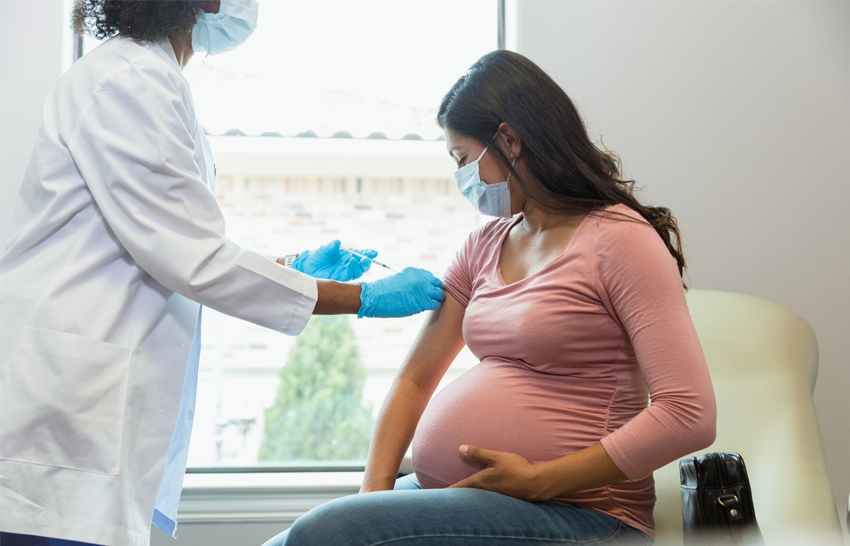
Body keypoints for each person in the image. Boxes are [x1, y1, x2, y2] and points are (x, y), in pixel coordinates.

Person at [0, 1, 443, 545]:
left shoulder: (153, 80)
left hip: (96, 407)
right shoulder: (129, 82)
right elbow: (195, 259)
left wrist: (288, 270)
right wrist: (359, 297)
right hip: (64, 422)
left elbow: (177, 245)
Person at [262, 50, 717, 546]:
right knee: (288, 543)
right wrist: (373, 494)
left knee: (323, 534)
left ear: (509, 140)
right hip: (471, 500)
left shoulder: (620, 239)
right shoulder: (484, 244)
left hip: (583, 514)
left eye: (462, 158)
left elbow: (688, 414)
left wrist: (540, 479)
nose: (462, 178)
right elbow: (415, 379)